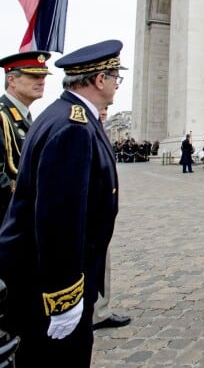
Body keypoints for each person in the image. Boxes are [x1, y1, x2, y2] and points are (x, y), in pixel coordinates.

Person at [0, 40, 126, 367]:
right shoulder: (73, 127)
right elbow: (59, 223)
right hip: (49, 284)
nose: (116, 85)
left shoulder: (59, 114)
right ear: (100, 80)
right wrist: (64, 299)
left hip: (37, 275)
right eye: (116, 78)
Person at [92, 107, 131, 332]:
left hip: (101, 213)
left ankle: (99, 311)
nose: (105, 112)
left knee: (99, 263)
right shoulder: (79, 125)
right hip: (88, 212)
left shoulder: (95, 126)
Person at [0, 51, 51, 221]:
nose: (42, 81)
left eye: (43, 76)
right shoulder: (2, 115)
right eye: (33, 76)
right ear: (11, 80)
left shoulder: (25, 116)